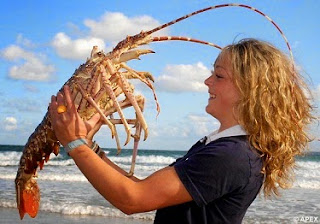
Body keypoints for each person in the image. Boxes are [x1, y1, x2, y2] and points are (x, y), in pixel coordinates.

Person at [49, 38, 313, 224]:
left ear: (251, 90)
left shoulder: (231, 155)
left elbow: (132, 200)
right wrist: (88, 145)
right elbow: (142, 188)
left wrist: (74, 143)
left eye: (219, 76)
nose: (207, 81)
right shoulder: (221, 146)